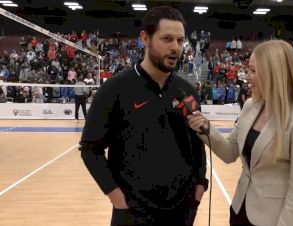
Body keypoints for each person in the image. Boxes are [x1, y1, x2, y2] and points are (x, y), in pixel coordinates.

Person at [79, 6, 208, 226]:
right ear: (145, 39)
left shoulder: (187, 91)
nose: (175, 47)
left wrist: (199, 187)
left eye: (179, 40)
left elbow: (197, 144)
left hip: (181, 211)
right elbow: (90, 149)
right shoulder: (115, 89)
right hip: (133, 212)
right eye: (167, 39)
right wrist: (116, 197)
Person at [188, 40, 293, 226]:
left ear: (275, 74)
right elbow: (230, 152)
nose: (247, 76)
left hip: (275, 219)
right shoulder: (250, 106)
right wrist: (205, 128)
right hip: (241, 209)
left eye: (254, 71)